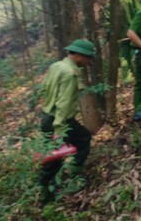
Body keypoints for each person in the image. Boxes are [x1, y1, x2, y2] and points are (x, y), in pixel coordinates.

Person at [39, 39, 96, 203]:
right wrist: (59, 129)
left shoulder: (56, 66)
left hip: (47, 117)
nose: (88, 61)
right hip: (59, 120)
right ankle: (61, 182)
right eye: (88, 58)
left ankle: (48, 187)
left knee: (54, 155)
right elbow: (63, 104)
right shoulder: (70, 74)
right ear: (78, 55)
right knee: (58, 155)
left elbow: (45, 87)